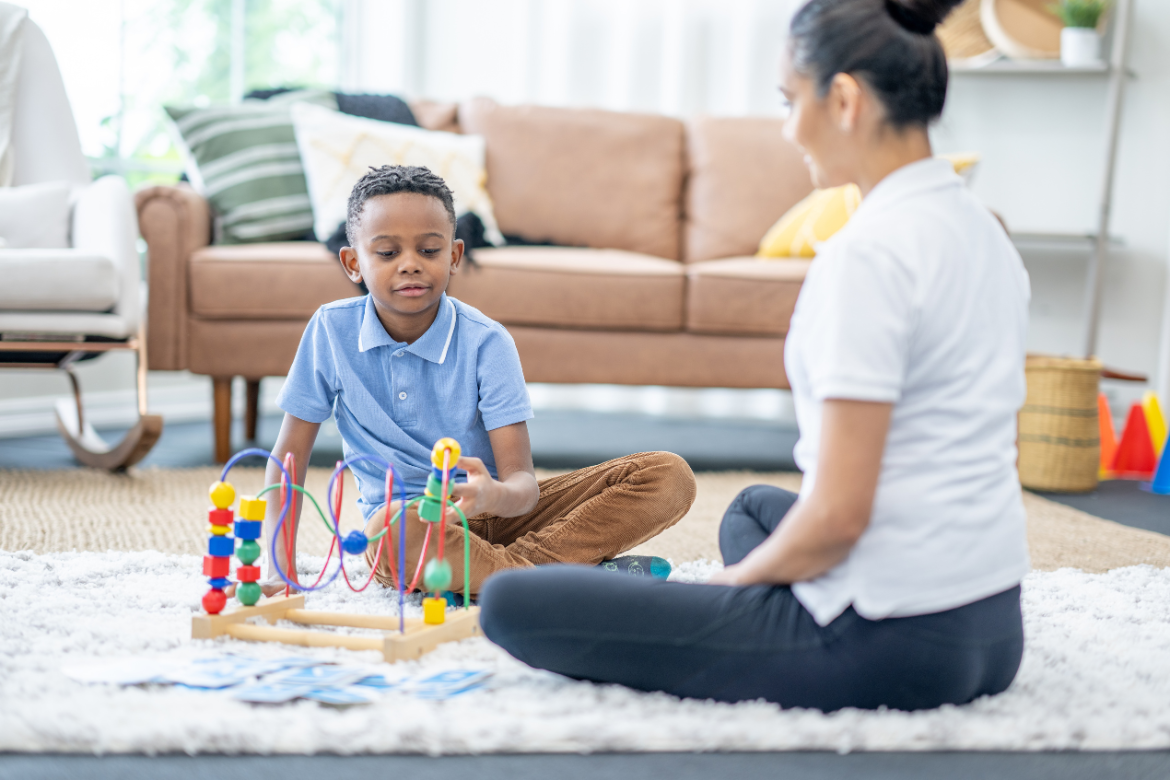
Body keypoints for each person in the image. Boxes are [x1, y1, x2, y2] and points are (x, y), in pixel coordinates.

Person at [479, 0, 1030, 712]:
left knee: (513, 602)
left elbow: (838, 519)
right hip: (989, 624)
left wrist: (726, 593)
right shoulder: (983, 231)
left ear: (842, 99)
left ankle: (759, 628)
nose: (786, 127)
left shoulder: (869, 256)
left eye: (788, 100)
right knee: (751, 510)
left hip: (886, 641)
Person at [255, 165, 696, 597]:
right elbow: (287, 461)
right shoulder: (331, 330)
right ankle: (569, 576)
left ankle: (515, 577)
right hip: (411, 527)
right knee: (394, 530)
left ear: (454, 256)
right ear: (353, 263)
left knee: (667, 476)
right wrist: (279, 567)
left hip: (499, 515)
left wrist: (492, 498)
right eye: (387, 253)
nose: (410, 265)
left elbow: (522, 488)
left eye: (429, 250)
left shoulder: (488, 341)